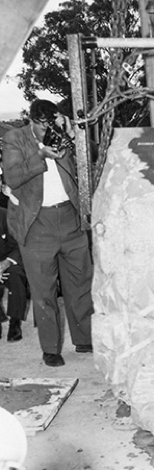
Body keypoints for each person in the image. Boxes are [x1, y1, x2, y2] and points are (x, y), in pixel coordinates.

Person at [2, 99, 94, 367]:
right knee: (44, 290)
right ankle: (51, 348)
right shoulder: (14, 139)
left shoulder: (63, 134)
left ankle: (85, 338)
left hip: (70, 216)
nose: (47, 130)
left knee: (79, 283)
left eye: (51, 123)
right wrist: (40, 154)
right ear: (32, 121)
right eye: (42, 126)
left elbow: (88, 164)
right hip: (36, 221)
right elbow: (12, 177)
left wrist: (75, 136)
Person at [0, 205, 29, 342]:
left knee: (16, 276)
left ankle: (15, 322)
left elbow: (19, 244)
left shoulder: (6, 216)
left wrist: (6, 263)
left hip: (8, 260)